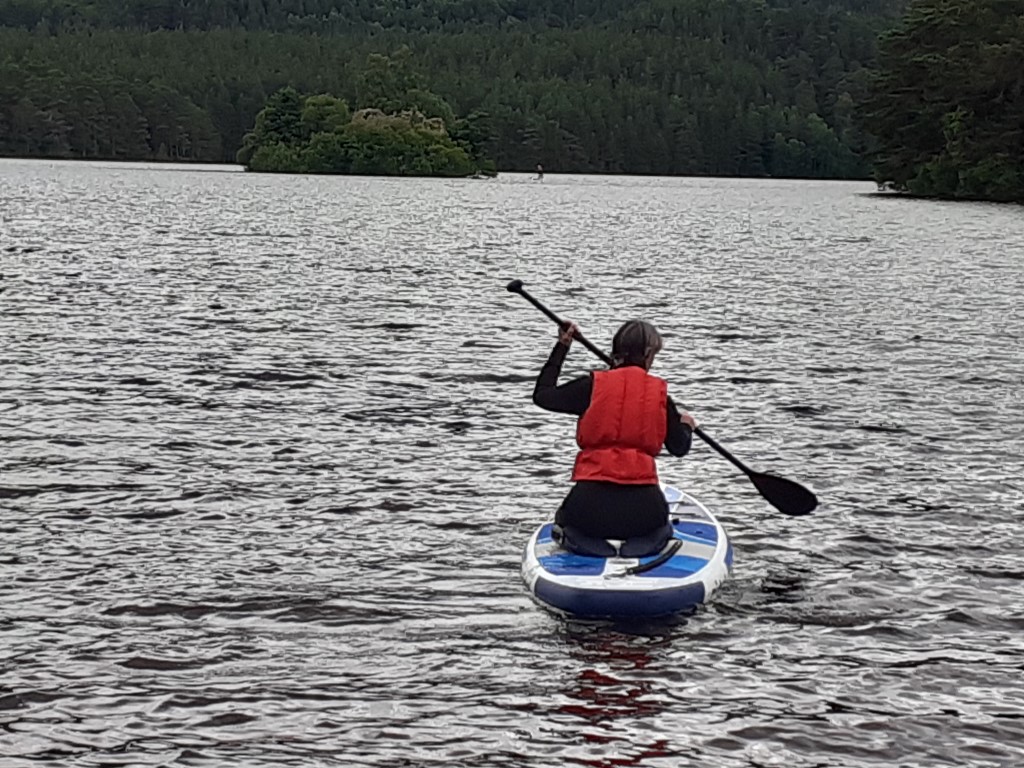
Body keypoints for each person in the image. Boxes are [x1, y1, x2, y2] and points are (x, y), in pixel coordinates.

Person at [532, 319, 697, 557]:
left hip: (589, 511)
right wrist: (686, 426)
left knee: (566, 518)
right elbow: (679, 448)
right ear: (648, 355)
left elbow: (543, 395)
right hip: (645, 513)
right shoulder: (660, 397)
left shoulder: (592, 386)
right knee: (659, 524)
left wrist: (562, 345)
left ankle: (579, 539)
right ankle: (650, 540)